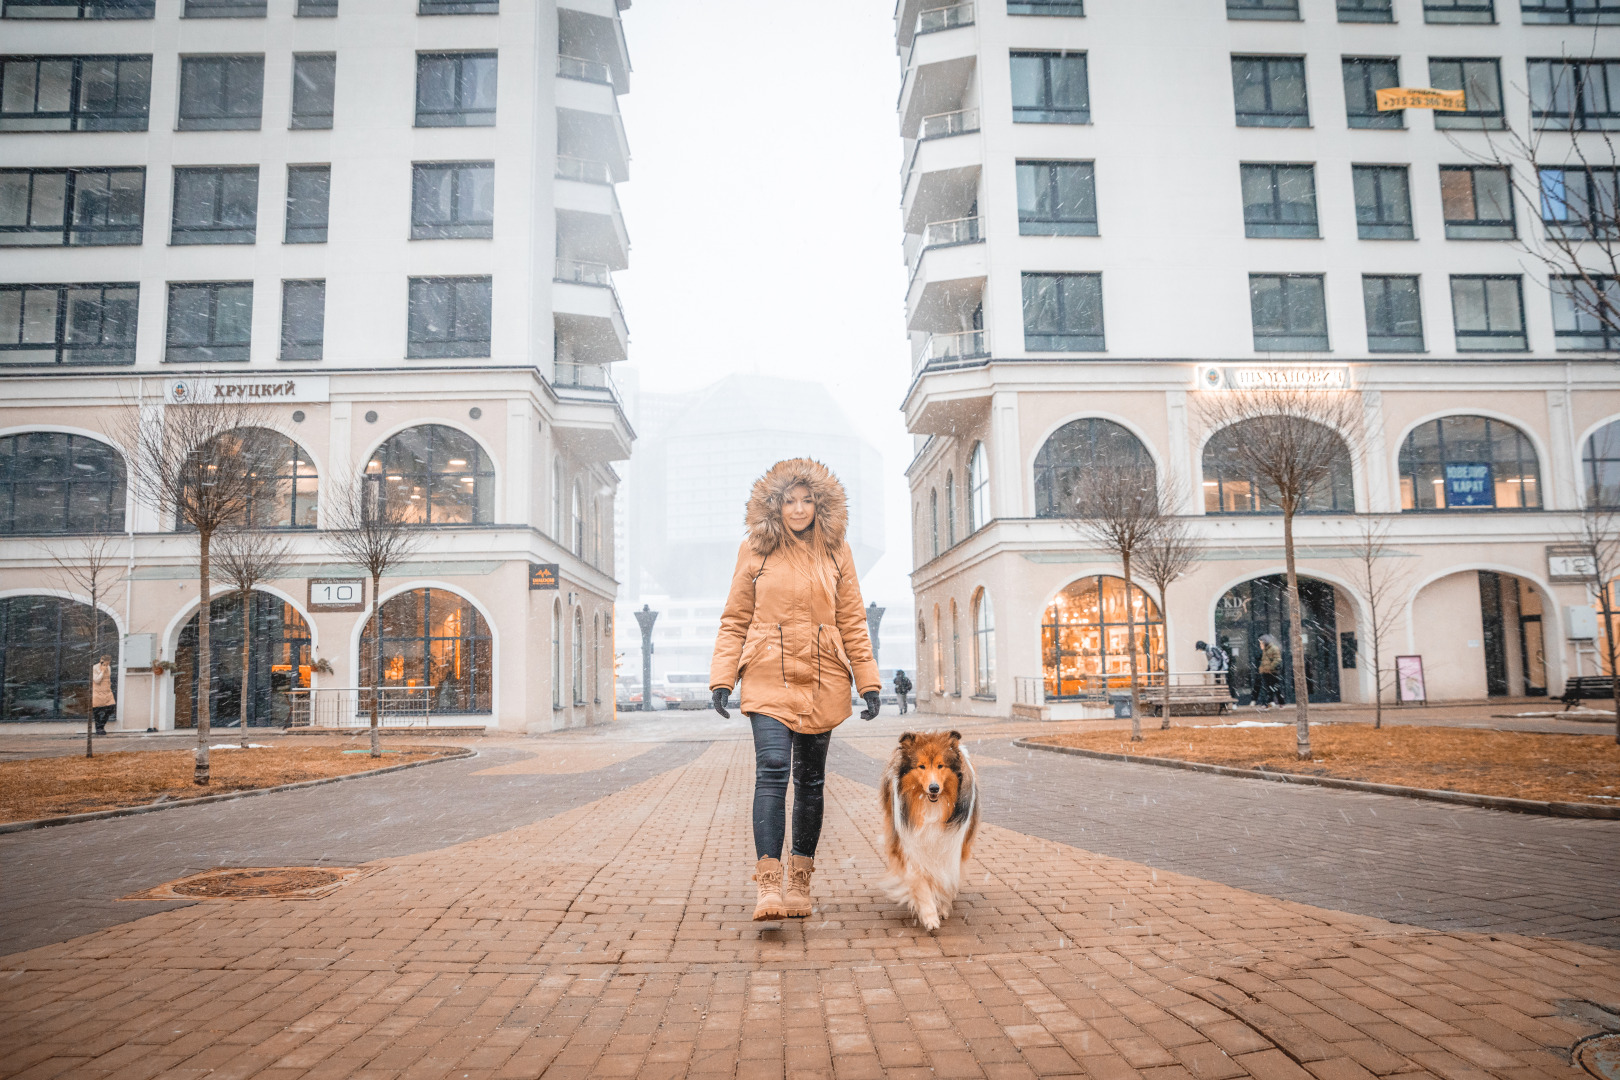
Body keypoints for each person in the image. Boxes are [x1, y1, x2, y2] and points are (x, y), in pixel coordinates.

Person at [710, 459, 881, 922]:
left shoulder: (836, 550)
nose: (799, 508)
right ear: (775, 504)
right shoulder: (755, 549)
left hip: (823, 676)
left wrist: (867, 680)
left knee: (809, 782)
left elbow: (852, 620)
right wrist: (723, 676)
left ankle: (800, 880)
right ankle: (768, 885)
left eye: (808, 500)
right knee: (771, 769)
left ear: (821, 504)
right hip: (767, 671)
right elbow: (735, 619)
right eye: (790, 500)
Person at [1256, 634, 1283, 709]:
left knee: (1274, 688)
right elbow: (1264, 661)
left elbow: (1277, 659)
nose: (1260, 644)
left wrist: (1270, 667)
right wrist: (1262, 669)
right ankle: (1267, 703)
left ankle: (1279, 702)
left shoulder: (1273, 648)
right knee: (1268, 688)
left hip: (1272, 671)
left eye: (1261, 643)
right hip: (1265, 672)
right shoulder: (1265, 649)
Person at [91, 654, 115, 734]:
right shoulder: (95, 668)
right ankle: (99, 728)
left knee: (111, 707)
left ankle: (101, 725)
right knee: (97, 710)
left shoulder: (109, 668)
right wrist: (102, 671)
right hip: (97, 692)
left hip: (107, 691)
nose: (107, 665)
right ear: (101, 661)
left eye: (108, 664)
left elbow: (108, 679)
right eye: (105, 663)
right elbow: (97, 680)